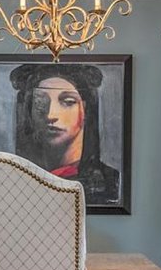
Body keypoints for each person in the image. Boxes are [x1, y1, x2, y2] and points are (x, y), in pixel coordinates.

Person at [10, 62, 121, 207]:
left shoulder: (110, 181)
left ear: (86, 110)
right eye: (39, 103)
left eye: (68, 102)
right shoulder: (13, 180)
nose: (51, 115)